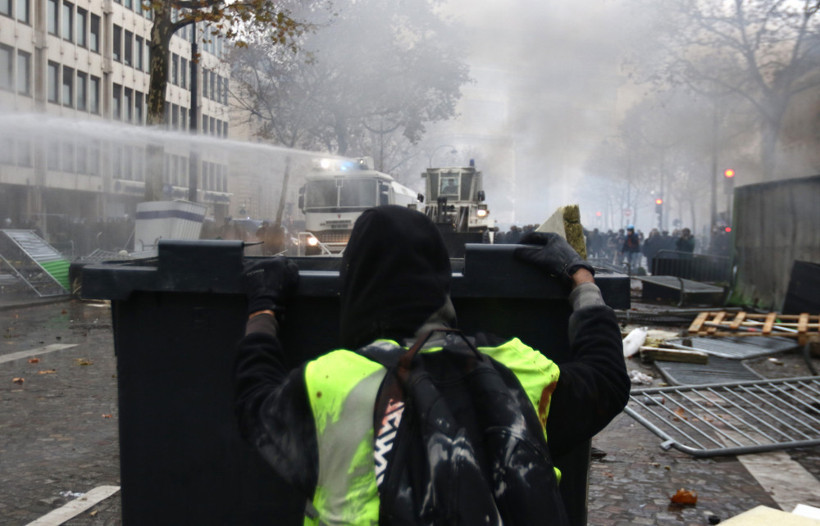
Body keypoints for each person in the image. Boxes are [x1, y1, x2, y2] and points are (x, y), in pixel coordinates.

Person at [234, 205, 629, 525]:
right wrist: (580, 279)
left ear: (352, 286)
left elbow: (254, 401)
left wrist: (264, 308)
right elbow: (606, 379)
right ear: (442, 283)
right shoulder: (518, 370)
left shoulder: (330, 383)